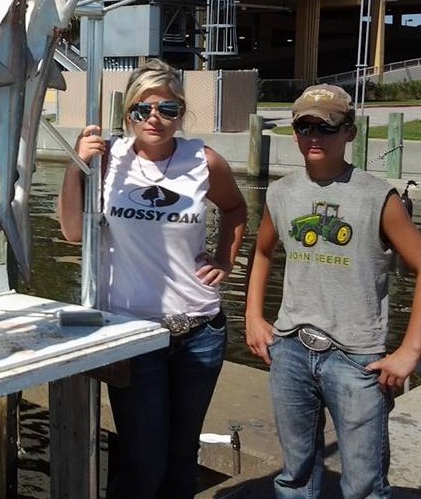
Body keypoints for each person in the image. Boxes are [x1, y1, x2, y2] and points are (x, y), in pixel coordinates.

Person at [57, 58, 247, 499]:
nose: (155, 119)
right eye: (143, 110)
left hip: (199, 330)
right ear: (128, 114)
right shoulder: (109, 160)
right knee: (143, 465)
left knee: (181, 463)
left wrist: (224, 258)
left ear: (181, 112)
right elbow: (71, 231)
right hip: (133, 331)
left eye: (167, 109)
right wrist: (75, 166)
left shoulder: (204, 161)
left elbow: (235, 209)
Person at [245, 84, 421, 498]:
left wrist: (411, 350)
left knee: (363, 483)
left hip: (356, 357)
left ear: (349, 133)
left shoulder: (379, 198)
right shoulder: (281, 192)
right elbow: (264, 251)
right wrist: (253, 316)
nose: (313, 138)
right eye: (304, 127)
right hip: (290, 349)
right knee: (295, 475)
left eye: (325, 128)